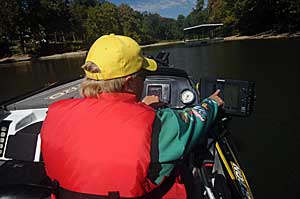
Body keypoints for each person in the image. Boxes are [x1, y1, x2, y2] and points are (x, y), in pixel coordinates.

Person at [41, 34, 224, 199]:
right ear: (129, 82)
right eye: (142, 75)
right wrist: (213, 103)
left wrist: (140, 108)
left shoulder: (55, 115)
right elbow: (194, 121)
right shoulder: (158, 124)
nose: (144, 80)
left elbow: (104, 127)